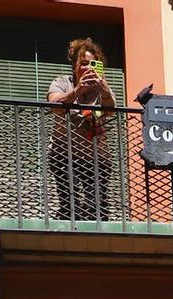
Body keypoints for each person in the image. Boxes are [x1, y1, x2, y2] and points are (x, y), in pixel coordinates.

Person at [46, 37, 115, 222]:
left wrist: (104, 89)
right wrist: (78, 89)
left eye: (92, 64)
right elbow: (55, 105)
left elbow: (110, 111)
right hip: (64, 155)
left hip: (96, 158)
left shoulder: (102, 88)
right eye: (83, 63)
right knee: (71, 206)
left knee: (97, 210)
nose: (87, 68)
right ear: (74, 64)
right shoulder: (62, 83)